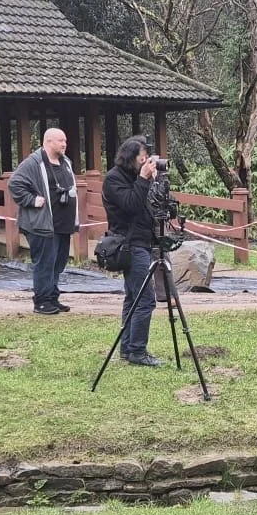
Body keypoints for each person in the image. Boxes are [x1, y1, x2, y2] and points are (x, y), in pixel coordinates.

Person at [101, 136, 165, 367]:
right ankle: (138, 350)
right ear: (131, 158)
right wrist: (144, 179)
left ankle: (128, 349)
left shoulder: (134, 177)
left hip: (142, 242)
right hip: (130, 245)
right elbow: (131, 205)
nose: (146, 162)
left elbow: (150, 206)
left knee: (132, 298)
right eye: (142, 158)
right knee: (145, 299)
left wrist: (153, 182)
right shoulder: (113, 179)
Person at [8, 127, 78, 315]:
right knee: (45, 263)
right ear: (48, 142)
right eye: (60, 141)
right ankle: (41, 301)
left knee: (58, 263)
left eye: (65, 141)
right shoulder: (33, 163)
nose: (64, 144)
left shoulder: (66, 162)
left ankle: (52, 298)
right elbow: (14, 184)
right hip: (41, 224)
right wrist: (32, 200)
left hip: (63, 223)